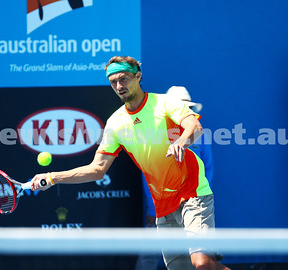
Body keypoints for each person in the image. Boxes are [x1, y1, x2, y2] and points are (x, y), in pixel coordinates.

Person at [31, 56, 230, 270]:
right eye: (113, 81)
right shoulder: (115, 123)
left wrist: (181, 141)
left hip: (193, 194)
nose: (119, 86)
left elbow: (194, 127)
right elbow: (97, 169)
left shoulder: (165, 103)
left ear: (138, 76)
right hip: (162, 206)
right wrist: (52, 177)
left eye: (124, 78)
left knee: (201, 264)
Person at [135, 86, 219, 270]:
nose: (185, 112)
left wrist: (201, 199)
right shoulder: (156, 135)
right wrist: (152, 208)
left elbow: (208, 170)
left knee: (202, 261)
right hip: (164, 207)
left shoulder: (200, 135)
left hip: (195, 203)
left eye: (188, 108)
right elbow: (149, 175)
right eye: (181, 108)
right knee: (150, 256)